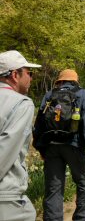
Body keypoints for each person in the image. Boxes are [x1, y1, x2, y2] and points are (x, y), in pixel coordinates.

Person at [33, 69, 85, 221]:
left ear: (60, 81)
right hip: (74, 145)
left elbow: (40, 123)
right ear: (75, 81)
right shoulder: (82, 94)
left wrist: (41, 147)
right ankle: (80, 218)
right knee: (83, 183)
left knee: (53, 188)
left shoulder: (49, 95)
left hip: (51, 146)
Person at [0, 50, 41, 221]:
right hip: (7, 195)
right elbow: (5, 152)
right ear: (15, 75)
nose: (31, 78)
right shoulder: (22, 104)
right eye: (29, 73)